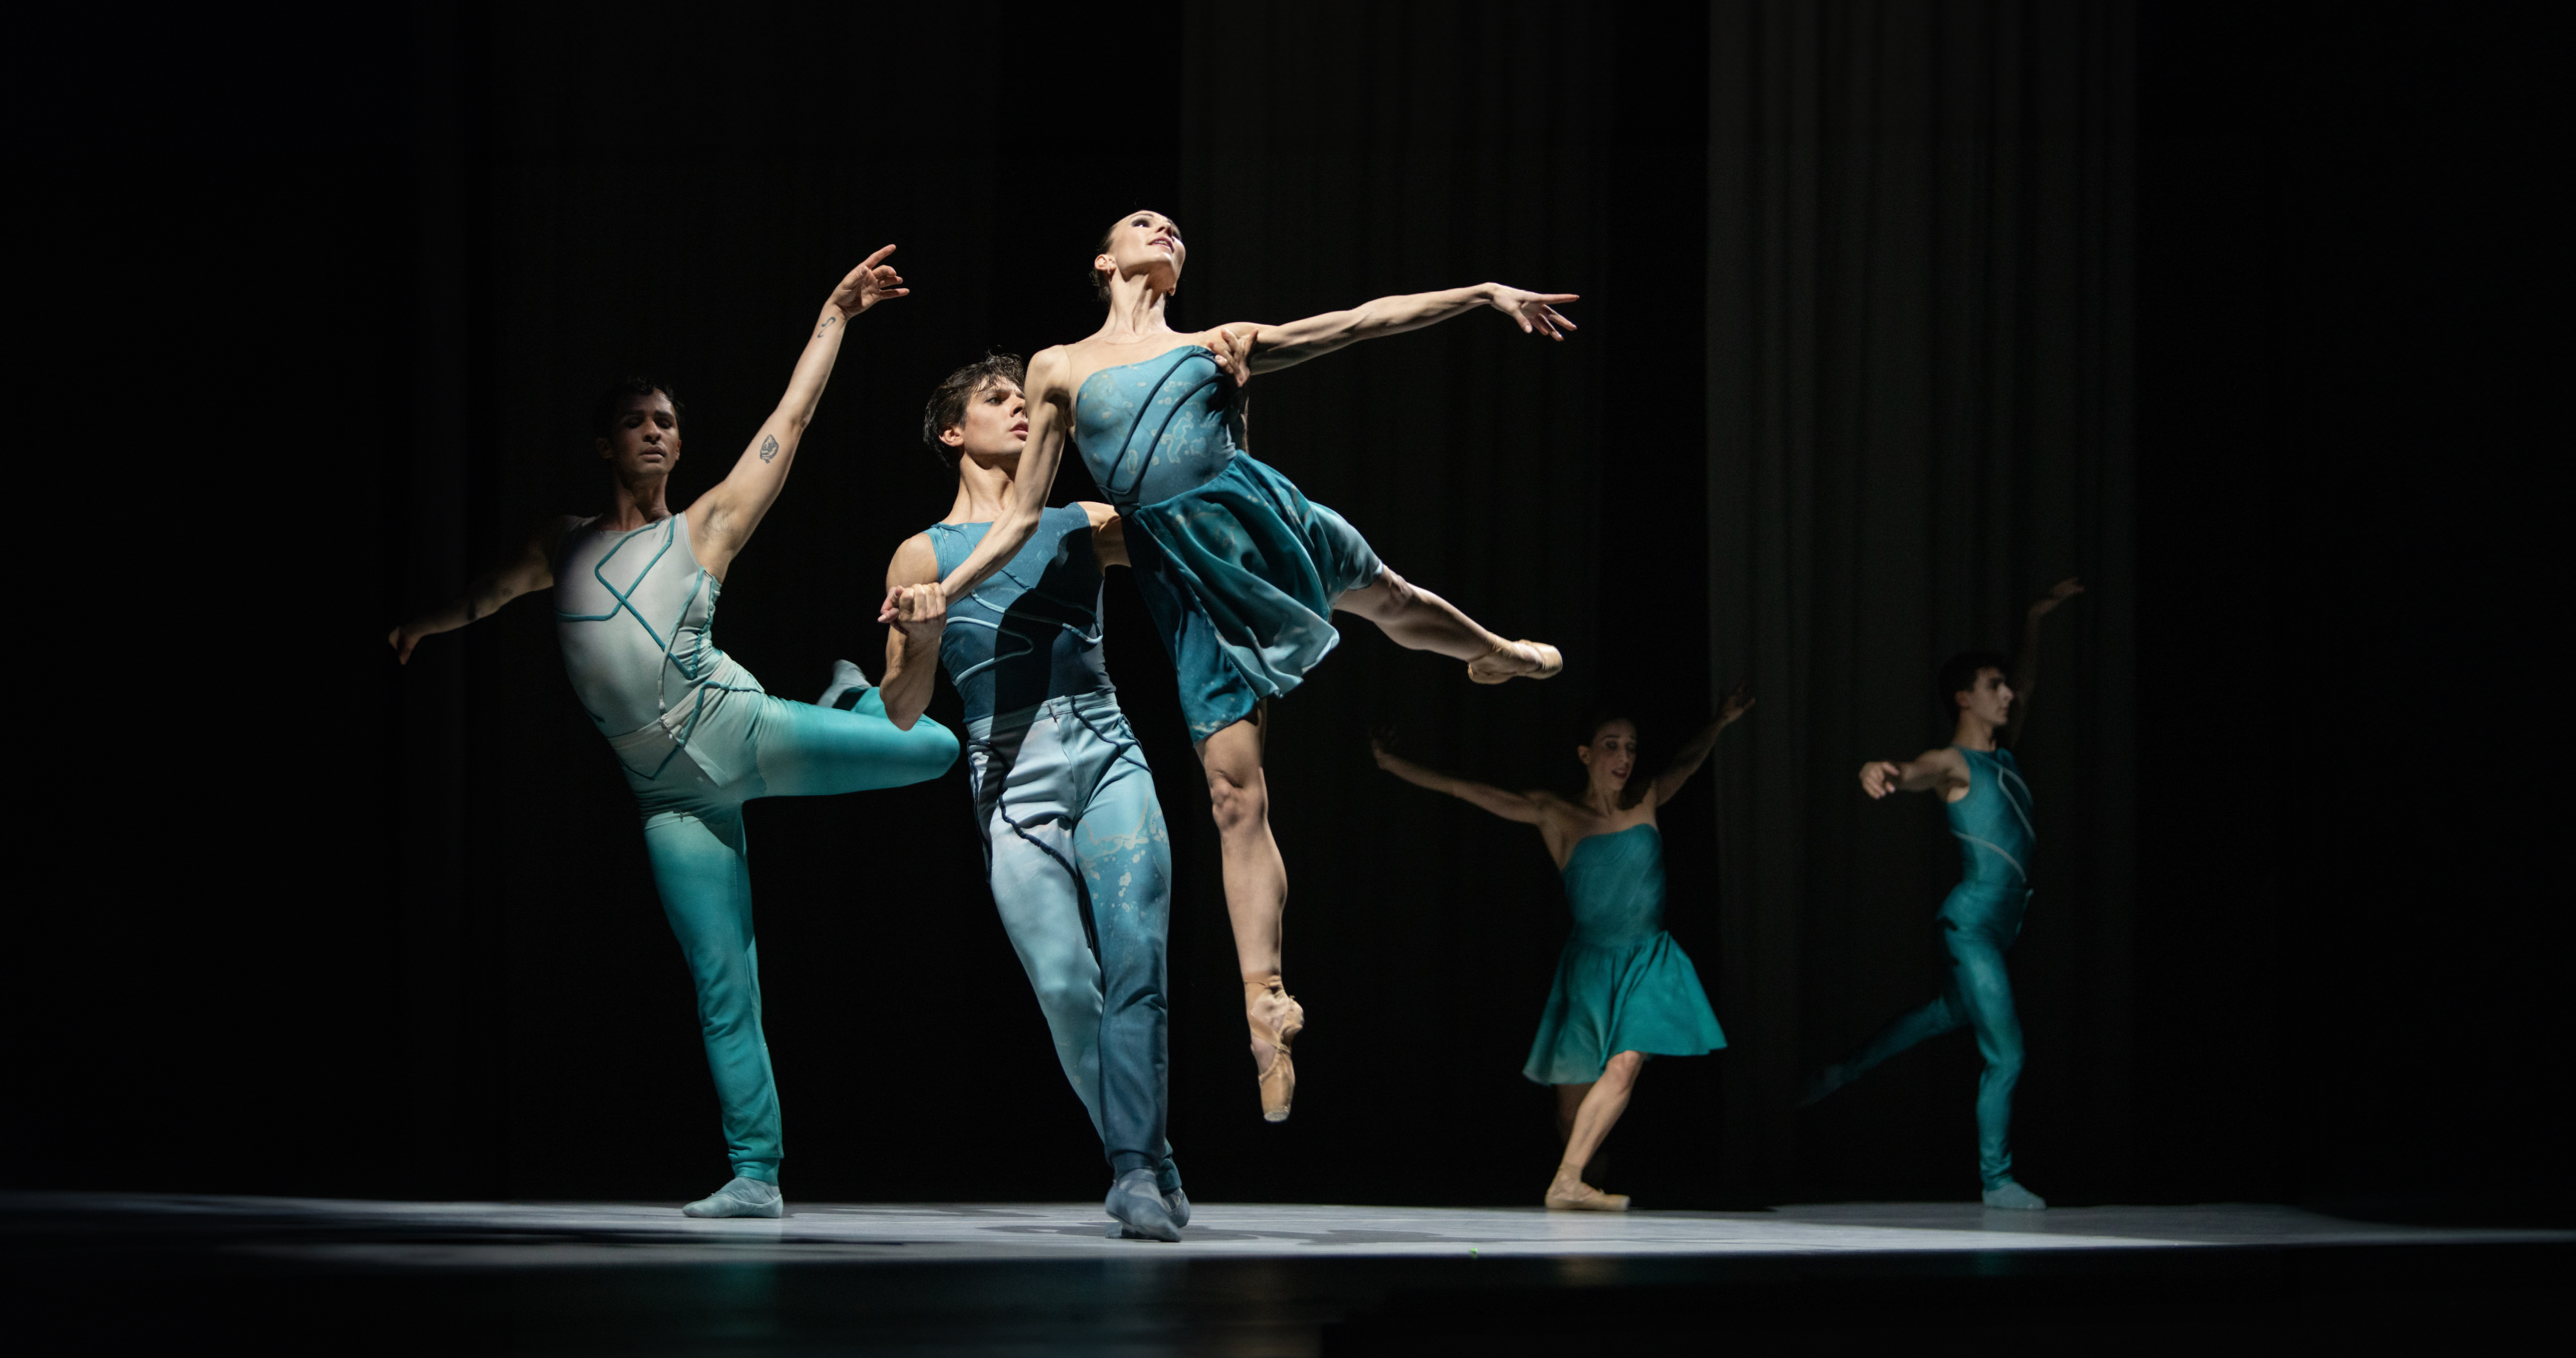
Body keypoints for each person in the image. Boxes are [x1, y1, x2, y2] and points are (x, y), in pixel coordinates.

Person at [887, 209, 1576, 1121]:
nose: (1163, 230)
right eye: (1142, 223)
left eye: (1174, 226)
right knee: (1232, 793)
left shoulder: (1220, 344)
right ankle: (1264, 1005)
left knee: (1393, 601)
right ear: (1104, 260)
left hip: (1251, 518)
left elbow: (1362, 323)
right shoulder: (1056, 368)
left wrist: (1483, 293)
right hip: (1182, 572)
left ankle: (1493, 653)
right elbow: (1017, 517)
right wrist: (949, 587)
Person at [387, 249, 959, 1219]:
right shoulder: (560, 544)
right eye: (636, 422)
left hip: (739, 729)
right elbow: (489, 595)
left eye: (667, 423)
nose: (656, 434)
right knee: (721, 977)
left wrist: (834, 314)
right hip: (666, 797)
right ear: (603, 442)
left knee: (935, 750)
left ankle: (851, 695)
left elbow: (791, 422)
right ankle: (756, 1175)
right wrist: (425, 624)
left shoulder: (705, 527)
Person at [865, 352, 1189, 1240]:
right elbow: (901, 710)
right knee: (1062, 982)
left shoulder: (1080, 520)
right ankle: (1151, 1152)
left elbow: (1194, 519)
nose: (1021, 409)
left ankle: (1131, 1171)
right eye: (997, 400)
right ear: (952, 432)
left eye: (1026, 398)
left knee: (1138, 967)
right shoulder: (923, 552)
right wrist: (924, 640)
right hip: (1010, 774)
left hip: (1109, 751)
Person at [1370, 688, 1751, 1210]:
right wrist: (1393, 764)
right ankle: (1585, 1178)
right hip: (1589, 967)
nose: (1624, 758)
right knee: (1571, 1114)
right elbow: (1466, 789)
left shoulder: (1647, 798)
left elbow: (1688, 759)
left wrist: (1720, 722)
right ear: (1586, 755)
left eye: (1631, 748)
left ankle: (1567, 1182)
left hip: (1648, 959)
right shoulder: (1554, 812)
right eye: (1612, 746)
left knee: (1624, 1067)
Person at [1803, 578, 2084, 1211]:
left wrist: (2035, 616)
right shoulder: (1953, 761)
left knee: (1942, 1016)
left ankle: (1840, 1072)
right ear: (1964, 697)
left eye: (2007, 685)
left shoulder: (2003, 759)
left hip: (1999, 927)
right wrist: (1881, 770)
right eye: (1995, 686)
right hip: (1973, 927)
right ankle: (1996, 1180)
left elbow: (2030, 680)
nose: (2009, 693)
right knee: (2006, 1055)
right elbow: (1915, 771)